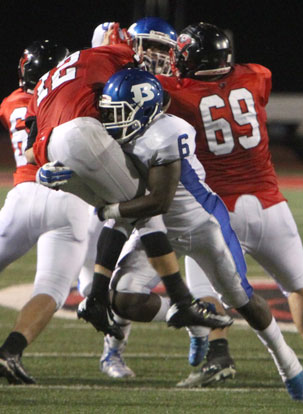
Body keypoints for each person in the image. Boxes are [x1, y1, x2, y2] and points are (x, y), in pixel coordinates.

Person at [68, 66, 303, 402]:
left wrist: (111, 209)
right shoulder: (122, 140)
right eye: (109, 113)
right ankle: (195, 320)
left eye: (119, 113)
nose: (112, 122)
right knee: (123, 299)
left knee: (241, 300)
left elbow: (158, 200)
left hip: (202, 225)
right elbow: (120, 222)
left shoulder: (168, 132)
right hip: (155, 227)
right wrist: (96, 289)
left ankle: (288, 364)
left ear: (147, 110)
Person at [25, 29, 225, 338]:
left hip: (50, 153)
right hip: (82, 134)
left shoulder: (47, 82)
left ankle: (94, 297)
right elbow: (138, 89)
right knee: (145, 203)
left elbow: (29, 147)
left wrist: (41, 170)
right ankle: (182, 300)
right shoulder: (115, 55)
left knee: (119, 209)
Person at [157, 22, 303, 387]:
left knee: (202, 290)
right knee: (299, 286)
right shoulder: (257, 77)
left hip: (218, 211)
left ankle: (219, 358)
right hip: (269, 206)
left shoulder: (176, 93)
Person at [0, 40, 91, 385]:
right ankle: (10, 350)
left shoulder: (10, 103)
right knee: (52, 289)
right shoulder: (74, 99)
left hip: (23, 195)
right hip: (69, 199)